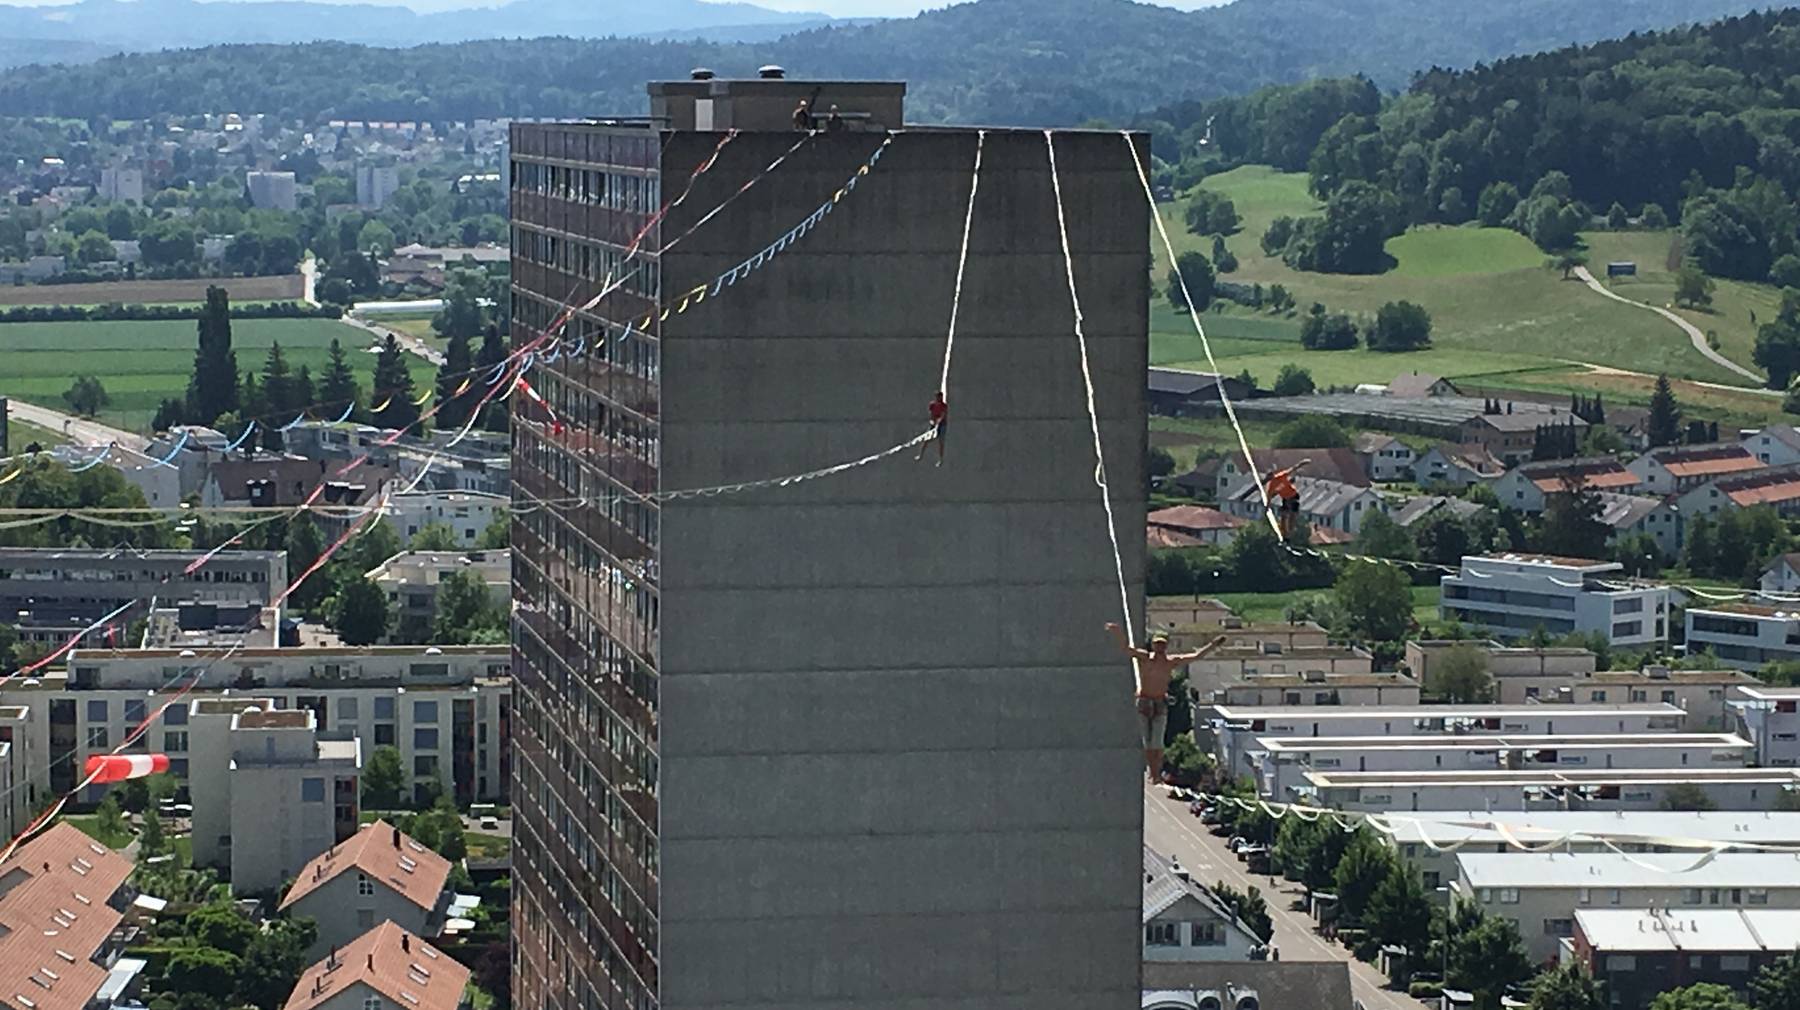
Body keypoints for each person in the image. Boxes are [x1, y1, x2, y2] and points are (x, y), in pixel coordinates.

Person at [1106, 623, 1228, 786]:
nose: (1160, 647)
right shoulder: (1145, 658)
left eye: (1162, 644)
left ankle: (1156, 773)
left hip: (1159, 703)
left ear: (1166, 646)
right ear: (1153, 645)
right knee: (1147, 742)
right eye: (1157, 644)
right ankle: (1152, 771)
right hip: (1144, 702)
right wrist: (1117, 633)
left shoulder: (1171, 662)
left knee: (1157, 743)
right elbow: (1126, 649)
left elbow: (1196, 656)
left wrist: (1213, 645)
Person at [1262, 458, 1310, 541]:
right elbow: (1269, 498)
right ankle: (1285, 535)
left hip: (1293, 496)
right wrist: (1267, 508)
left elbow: (1293, 468)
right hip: (1286, 499)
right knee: (1284, 515)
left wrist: (1303, 463)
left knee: (1292, 515)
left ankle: (1289, 533)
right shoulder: (1271, 486)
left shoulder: (1281, 476)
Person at [916, 391, 948, 466]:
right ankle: (920, 455)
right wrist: (932, 421)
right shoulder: (932, 405)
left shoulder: (944, 406)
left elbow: (943, 415)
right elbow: (931, 414)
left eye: (940, 397)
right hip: (934, 423)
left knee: (941, 442)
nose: (939, 398)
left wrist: (938, 421)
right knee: (926, 439)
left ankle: (940, 459)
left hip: (942, 424)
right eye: (938, 397)